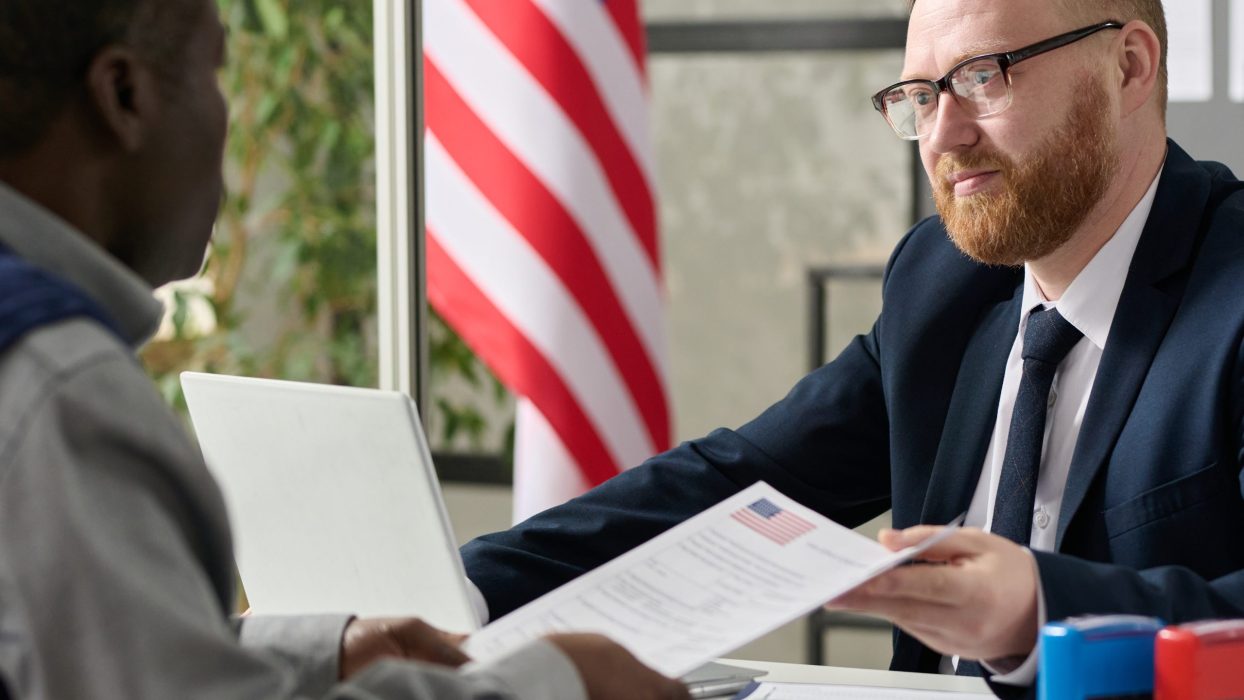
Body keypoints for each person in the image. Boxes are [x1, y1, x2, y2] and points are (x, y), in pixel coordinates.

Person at [459, 0, 1244, 697]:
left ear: (1129, 67)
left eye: (982, 77)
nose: (943, 133)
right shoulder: (943, 283)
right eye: (919, 96)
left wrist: (1038, 610)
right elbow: (736, 482)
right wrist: (458, 590)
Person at [0, 1, 689, 698]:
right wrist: (558, 682)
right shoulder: (57, 389)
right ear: (124, 96)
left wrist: (312, 653)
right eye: (214, 74)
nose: (228, 125)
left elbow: (73, 657)